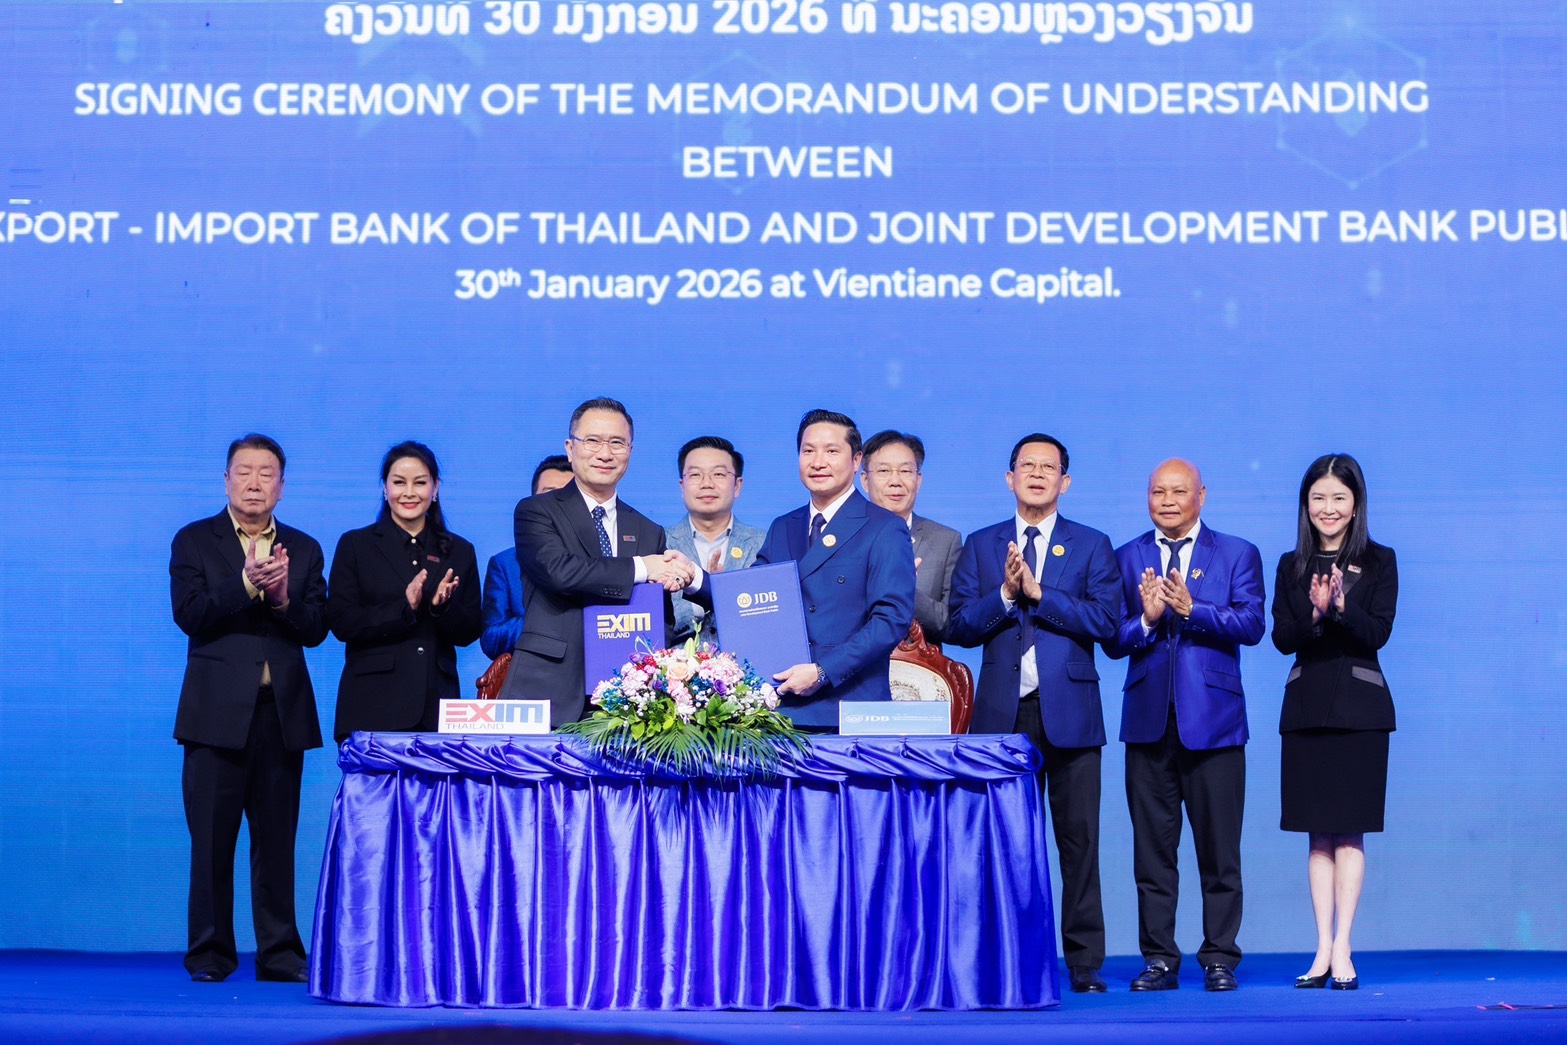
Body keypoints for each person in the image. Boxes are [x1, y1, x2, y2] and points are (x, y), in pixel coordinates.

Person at [947, 433, 1121, 994]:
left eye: (1050, 467)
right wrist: (1004, 593)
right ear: (1009, 478)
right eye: (1028, 465)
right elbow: (958, 625)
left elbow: (1107, 623)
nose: (1038, 474)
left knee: (1079, 843)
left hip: (1071, 711)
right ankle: (1011, 956)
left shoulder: (1092, 544)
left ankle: (1085, 962)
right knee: (1004, 844)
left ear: (1065, 481)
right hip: (1003, 715)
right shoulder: (981, 544)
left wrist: (1040, 593)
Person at [169, 434, 328, 984]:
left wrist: (281, 600)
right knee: (211, 843)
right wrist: (244, 584)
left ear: (282, 487)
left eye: (266, 474)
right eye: (244, 472)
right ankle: (210, 954)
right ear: (226, 480)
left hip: (279, 715)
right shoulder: (195, 540)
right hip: (214, 718)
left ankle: (279, 954)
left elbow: (316, 628)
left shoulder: (304, 548)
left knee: (277, 843)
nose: (254, 483)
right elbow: (189, 614)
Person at [1104, 459, 1265, 993]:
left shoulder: (1237, 553)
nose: (1168, 501)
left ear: (1202, 495)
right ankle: (1159, 959)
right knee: (1152, 854)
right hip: (1147, 723)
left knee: (1220, 853)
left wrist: (1195, 610)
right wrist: (1148, 619)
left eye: (1179, 491)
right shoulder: (1127, 556)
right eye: (1158, 492)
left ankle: (1220, 957)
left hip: (1215, 725)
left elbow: (1252, 624)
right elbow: (1113, 638)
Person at [693, 409, 914, 731]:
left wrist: (823, 671)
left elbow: (890, 621)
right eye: (808, 451)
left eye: (831, 451)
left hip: (849, 711)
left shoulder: (884, 527)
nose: (818, 462)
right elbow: (747, 597)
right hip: (781, 708)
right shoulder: (784, 526)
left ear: (856, 460)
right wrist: (693, 578)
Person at [1270, 454, 1397, 992]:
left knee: (1350, 833)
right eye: (1318, 498)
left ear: (1356, 503)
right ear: (1306, 505)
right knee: (1317, 835)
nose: (1328, 508)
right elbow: (1282, 637)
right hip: (1306, 711)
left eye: (1339, 498)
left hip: (1360, 713)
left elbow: (1379, 633)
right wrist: (1317, 614)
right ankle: (1321, 945)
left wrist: (1341, 607)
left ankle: (1344, 944)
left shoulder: (1380, 560)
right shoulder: (1291, 565)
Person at [495, 397, 696, 724]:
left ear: (630, 451)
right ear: (570, 448)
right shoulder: (536, 511)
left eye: (617, 443)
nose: (605, 453)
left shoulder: (648, 530)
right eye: (592, 441)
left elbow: (660, 620)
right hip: (547, 690)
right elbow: (560, 572)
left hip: (629, 702)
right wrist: (643, 567)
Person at [328, 441, 483, 740]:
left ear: (435, 488)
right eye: (399, 482)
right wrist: (404, 608)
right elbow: (342, 622)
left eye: (420, 483)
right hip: (371, 705)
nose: (409, 492)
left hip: (436, 707)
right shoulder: (356, 545)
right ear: (385, 488)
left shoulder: (460, 550)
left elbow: (470, 631)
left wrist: (440, 608)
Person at [860, 430, 962, 643]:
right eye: (883, 471)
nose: (895, 481)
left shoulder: (945, 540)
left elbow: (954, 625)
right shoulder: (844, 536)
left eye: (905, 471)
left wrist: (906, 592)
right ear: (865, 480)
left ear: (918, 480)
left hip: (916, 662)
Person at [665, 436, 765, 646]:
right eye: (695, 475)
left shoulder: (764, 544)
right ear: (682, 486)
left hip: (747, 664)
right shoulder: (660, 544)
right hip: (676, 665)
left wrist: (722, 592)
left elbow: (771, 620)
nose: (707, 484)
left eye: (718, 474)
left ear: (737, 486)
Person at [480, 454, 574, 659]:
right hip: (531, 675)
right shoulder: (505, 564)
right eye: (549, 495)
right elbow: (491, 640)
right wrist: (543, 621)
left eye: (568, 495)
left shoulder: (601, 559)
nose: (558, 504)